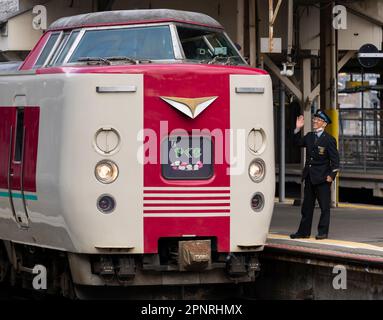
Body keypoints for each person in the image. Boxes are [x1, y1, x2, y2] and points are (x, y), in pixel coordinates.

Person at [290, 110, 340, 240]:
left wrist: (331, 176)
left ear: (324, 124)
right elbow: (296, 143)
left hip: (323, 178)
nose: (314, 121)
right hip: (309, 177)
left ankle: (322, 232)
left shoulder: (329, 140)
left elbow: (335, 161)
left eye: (318, 120)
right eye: (314, 119)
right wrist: (297, 128)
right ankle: (303, 232)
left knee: (324, 207)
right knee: (307, 207)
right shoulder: (309, 136)